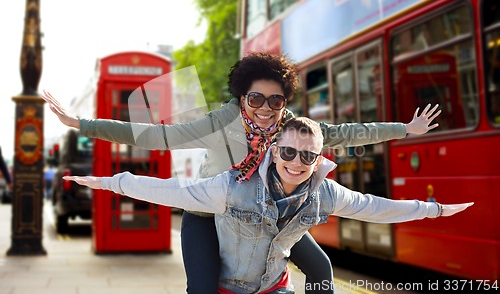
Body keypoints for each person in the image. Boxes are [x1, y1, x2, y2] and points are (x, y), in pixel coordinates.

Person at [41, 52, 441, 294]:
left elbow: (346, 133)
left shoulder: (293, 129)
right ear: (241, 97)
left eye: (275, 99)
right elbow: (160, 136)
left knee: (320, 268)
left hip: (265, 214)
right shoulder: (222, 121)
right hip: (210, 213)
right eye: (255, 98)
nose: (266, 107)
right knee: (202, 287)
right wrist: (82, 124)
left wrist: (405, 129)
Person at [66, 117, 473, 294]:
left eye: (308, 157)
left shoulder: (324, 192)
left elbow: (374, 206)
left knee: (321, 269)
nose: (297, 163)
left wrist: (432, 208)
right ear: (274, 151)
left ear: (319, 158)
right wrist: (106, 182)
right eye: (289, 154)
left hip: (275, 286)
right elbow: (169, 190)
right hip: (227, 281)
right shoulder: (231, 185)